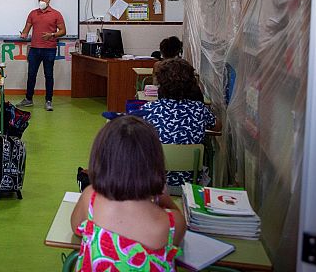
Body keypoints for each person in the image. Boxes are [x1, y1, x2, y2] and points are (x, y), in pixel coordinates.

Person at [71, 116, 186, 271]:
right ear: (154, 163)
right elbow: (179, 239)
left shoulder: (91, 198)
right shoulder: (173, 223)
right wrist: (165, 199)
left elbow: (76, 227)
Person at [142, 58, 219, 187]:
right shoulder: (199, 109)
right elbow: (218, 126)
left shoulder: (149, 110)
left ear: (160, 82)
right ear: (191, 83)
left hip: (155, 182)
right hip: (191, 182)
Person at [17, 0, 66, 111]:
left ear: (49, 0)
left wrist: (52, 35)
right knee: (31, 75)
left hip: (49, 49)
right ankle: (28, 99)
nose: (41, 1)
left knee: (48, 75)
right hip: (34, 49)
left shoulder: (56, 14)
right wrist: (23, 34)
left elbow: (63, 31)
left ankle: (48, 101)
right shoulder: (33, 13)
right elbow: (27, 27)